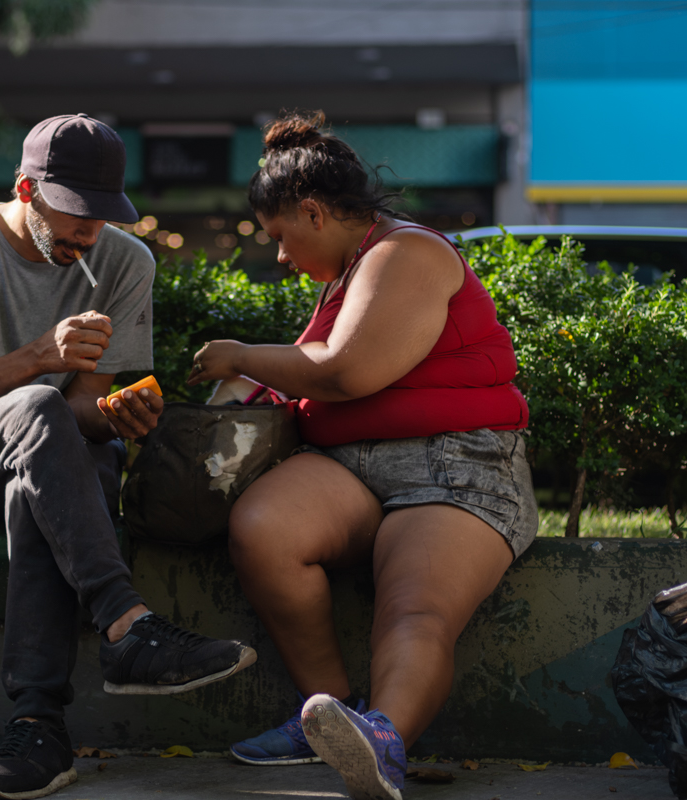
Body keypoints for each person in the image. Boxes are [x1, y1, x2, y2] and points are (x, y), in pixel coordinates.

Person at [0, 113, 256, 800]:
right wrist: (35, 360)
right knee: (39, 409)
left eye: (103, 216)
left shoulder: (122, 261)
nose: (89, 233)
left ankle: (38, 729)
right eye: (74, 214)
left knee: (53, 457)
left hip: (53, 465)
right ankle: (127, 625)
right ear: (25, 189)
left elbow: (84, 405)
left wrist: (115, 416)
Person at [188, 111, 537, 800]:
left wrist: (240, 354)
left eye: (281, 238)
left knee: (415, 611)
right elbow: (319, 378)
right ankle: (329, 717)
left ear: (313, 212)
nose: (281, 258)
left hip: (454, 467)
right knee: (264, 529)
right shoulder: (344, 274)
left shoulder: (407, 253)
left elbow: (347, 373)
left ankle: (383, 736)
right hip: (353, 465)